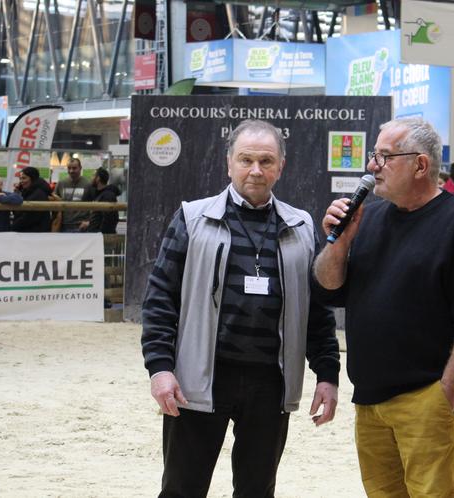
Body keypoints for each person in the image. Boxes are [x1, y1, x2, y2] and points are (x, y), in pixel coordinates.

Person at [140, 119, 340, 498]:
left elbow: (317, 313)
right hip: (199, 379)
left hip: (271, 384)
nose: (256, 170)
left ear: (281, 166)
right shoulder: (192, 219)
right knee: (182, 488)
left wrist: (327, 374)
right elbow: (160, 299)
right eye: (246, 159)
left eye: (266, 161)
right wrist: (160, 369)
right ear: (229, 162)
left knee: (257, 491)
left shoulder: (301, 227)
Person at [313, 117, 454, 498]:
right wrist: (339, 242)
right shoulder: (369, 217)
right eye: (373, 155)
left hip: (427, 397)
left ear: (420, 165)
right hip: (369, 400)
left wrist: (444, 397)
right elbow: (328, 288)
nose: (372, 166)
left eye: (384, 157)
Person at [55, 157, 91, 232]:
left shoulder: (88, 184)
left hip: (82, 226)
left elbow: (95, 204)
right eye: (69, 168)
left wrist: (89, 222)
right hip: (64, 225)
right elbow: (55, 200)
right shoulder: (61, 183)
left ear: (80, 168)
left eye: (74, 168)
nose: (71, 171)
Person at [80, 167, 121, 234]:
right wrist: (90, 224)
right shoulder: (100, 194)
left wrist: (100, 234)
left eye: (93, 175)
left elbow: (109, 220)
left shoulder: (108, 196)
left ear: (98, 178)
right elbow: (99, 218)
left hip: (101, 238)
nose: (91, 178)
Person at [12, 167, 52, 232]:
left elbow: (28, 218)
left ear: (32, 178)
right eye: (20, 178)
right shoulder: (26, 192)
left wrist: (13, 226)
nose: (21, 181)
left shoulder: (39, 194)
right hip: (30, 233)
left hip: (35, 235)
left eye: (24, 178)